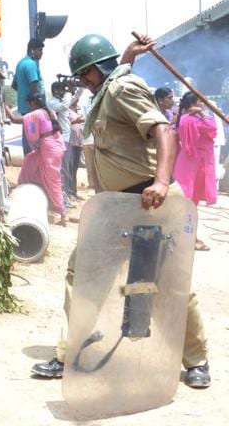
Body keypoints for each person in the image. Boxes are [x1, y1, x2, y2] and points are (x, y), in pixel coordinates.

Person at [30, 34, 211, 389]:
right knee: (81, 273)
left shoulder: (122, 88)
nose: (83, 82)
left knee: (172, 282)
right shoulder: (108, 88)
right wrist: (127, 55)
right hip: (115, 206)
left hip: (149, 200)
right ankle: (68, 354)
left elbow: (163, 130)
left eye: (85, 75)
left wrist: (160, 182)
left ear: (98, 70)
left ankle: (196, 360)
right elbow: (115, 77)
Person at [173, 92, 217, 251]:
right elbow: (211, 127)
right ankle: (188, 238)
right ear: (194, 103)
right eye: (201, 102)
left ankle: (188, 237)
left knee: (191, 203)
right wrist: (200, 113)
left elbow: (212, 129)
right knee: (186, 203)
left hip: (195, 165)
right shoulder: (189, 120)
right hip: (192, 166)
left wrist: (199, 112)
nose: (204, 105)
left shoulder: (189, 119)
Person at [14, 93, 67, 225]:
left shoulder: (37, 114)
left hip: (49, 149)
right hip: (53, 145)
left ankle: (62, 214)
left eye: (29, 104)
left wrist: (4, 107)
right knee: (30, 162)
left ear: (33, 103)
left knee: (52, 179)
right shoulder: (49, 112)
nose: (29, 107)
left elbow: (15, 119)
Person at [6, 38, 45, 155]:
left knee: (27, 139)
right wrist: (39, 106)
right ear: (32, 50)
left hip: (24, 108)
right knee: (34, 144)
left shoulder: (20, 64)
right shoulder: (31, 64)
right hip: (32, 109)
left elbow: (14, 85)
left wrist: (24, 94)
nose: (42, 53)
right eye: (40, 50)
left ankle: (29, 166)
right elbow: (34, 88)